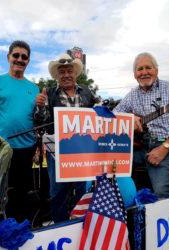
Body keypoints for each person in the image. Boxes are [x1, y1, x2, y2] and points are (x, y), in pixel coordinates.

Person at [34, 54, 102, 223]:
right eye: (62, 72)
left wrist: (100, 110)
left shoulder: (87, 91)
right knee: (58, 191)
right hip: (56, 147)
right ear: (57, 76)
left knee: (83, 188)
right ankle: (60, 226)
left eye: (69, 71)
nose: (66, 75)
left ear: (75, 74)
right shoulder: (48, 93)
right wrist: (41, 106)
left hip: (83, 148)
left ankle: (80, 223)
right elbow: (41, 121)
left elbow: (101, 108)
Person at [114, 52, 169, 198]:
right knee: (111, 175)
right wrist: (130, 118)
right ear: (135, 74)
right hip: (139, 147)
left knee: (162, 191)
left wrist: (165, 147)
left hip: (168, 147)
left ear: (156, 70)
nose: (144, 72)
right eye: (139, 69)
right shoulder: (132, 94)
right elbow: (114, 114)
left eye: (148, 67)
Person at [0, 40, 40, 222]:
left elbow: (35, 120)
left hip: (26, 149)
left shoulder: (33, 88)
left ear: (28, 61)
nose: (20, 59)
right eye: (16, 55)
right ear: (8, 57)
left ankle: (17, 230)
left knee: (20, 194)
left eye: (24, 57)